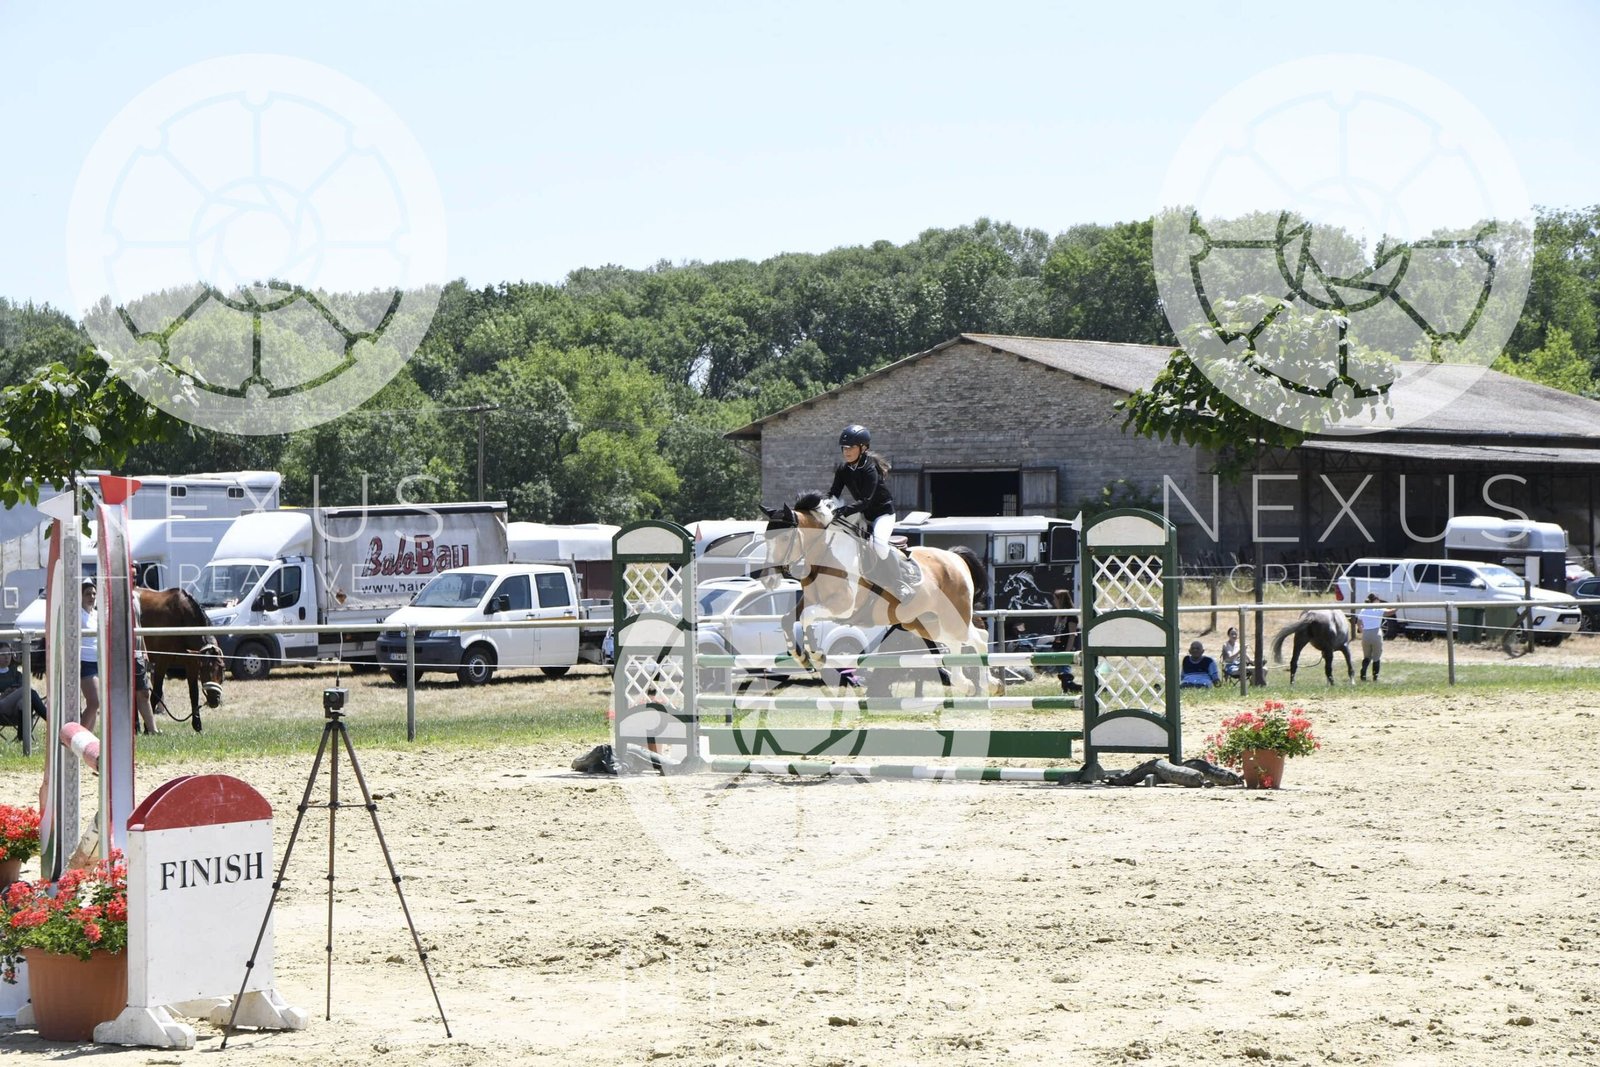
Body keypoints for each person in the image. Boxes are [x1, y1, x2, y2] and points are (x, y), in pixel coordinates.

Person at [826, 424, 916, 600]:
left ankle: (900, 583)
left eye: (851, 447)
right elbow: (833, 493)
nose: (846, 451)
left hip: (883, 514)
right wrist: (825, 505)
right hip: (863, 515)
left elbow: (865, 501)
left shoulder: (869, 469)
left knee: (879, 546)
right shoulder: (843, 469)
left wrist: (843, 510)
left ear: (863, 448)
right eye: (844, 448)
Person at [0, 640, 47, 736]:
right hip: (2, 708)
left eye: (9, 654)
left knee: (24, 702)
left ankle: (22, 737)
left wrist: (14, 692)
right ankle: (49, 718)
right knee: (28, 691)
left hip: (15, 710)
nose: (7, 657)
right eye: (3, 654)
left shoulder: (16, 673)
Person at [80, 579, 100, 733]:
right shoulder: (77, 615)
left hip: (99, 661)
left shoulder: (97, 615)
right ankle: (80, 736)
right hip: (85, 662)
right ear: (80, 596)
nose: (91, 597)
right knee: (94, 702)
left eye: (94, 594)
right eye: (87, 594)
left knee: (95, 705)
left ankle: (89, 736)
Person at [1356, 593, 1390, 682]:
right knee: (1376, 657)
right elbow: (1391, 612)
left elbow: (1359, 623)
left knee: (1366, 657)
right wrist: (1398, 606)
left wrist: (1362, 631)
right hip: (1376, 634)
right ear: (1375, 600)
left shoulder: (1363, 610)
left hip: (1366, 635)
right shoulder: (1379, 609)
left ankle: (1363, 673)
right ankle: (1375, 677)